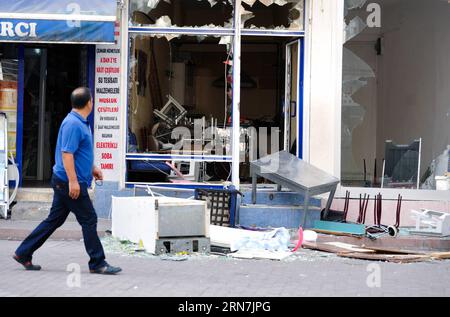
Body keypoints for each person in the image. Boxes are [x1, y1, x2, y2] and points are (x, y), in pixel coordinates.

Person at [13, 87, 122, 275]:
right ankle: (97, 262)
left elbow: (79, 153)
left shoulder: (80, 121)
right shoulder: (73, 124)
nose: (93, 102)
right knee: (89, 219)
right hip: (68, 182)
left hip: (65, 180)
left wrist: (92, 168)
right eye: (92, 99)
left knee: (54, 220)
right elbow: (67, 154)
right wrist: (73, 182)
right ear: (89, 103)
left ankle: (23, 252)